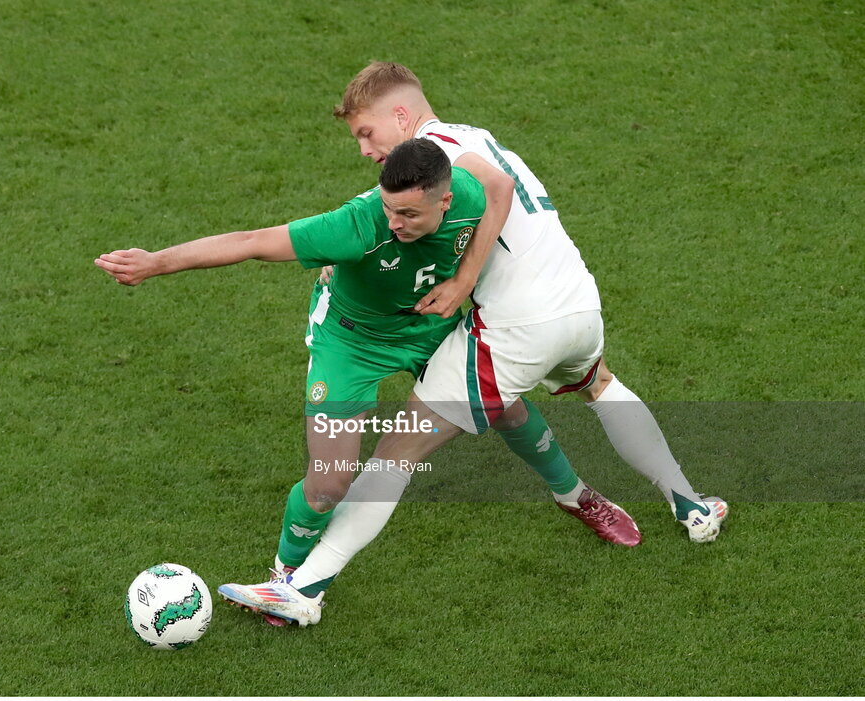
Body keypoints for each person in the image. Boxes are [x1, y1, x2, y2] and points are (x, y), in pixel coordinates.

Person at [215, 62, 727, 627]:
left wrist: (462, 281)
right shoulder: (474, 137)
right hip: (579, 303)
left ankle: (304, 589)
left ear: (403, 116)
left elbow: (490, 192)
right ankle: (686, 502)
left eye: (367, 132)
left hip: (517, 324)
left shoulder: (439, 155)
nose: (364, 148)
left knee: (397, 453)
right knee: (595, 385)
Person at [96, 139, 639, 628]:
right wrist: (156, 262)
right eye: (388, 207)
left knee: (508, 409)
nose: (395, 222)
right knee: (330, 482)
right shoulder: (357, 224)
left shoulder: (469, 194)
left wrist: (465, 278)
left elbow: (500, 185)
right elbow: (252, 241)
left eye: (408, 212)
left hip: (429, 326)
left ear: (445, 201)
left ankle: (576, 497)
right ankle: (286, 574)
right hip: (351, 344)